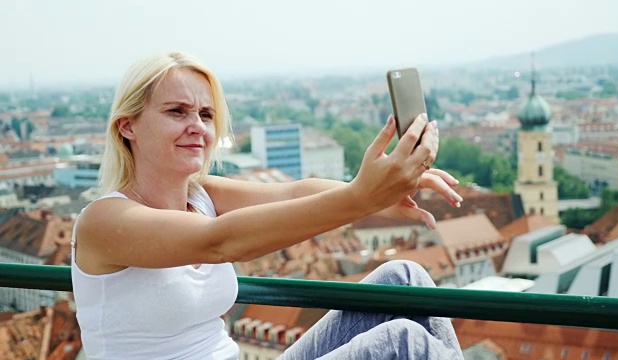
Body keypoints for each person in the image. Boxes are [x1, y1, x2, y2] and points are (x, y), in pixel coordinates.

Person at [70, 51, 464, 359]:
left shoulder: (201, 194)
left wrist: (381, 199)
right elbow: (220, 242)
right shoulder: (104, 220)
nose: (197, 126)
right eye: (176, 111)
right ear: (127, 126)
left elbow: (294, 193)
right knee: (405, 343)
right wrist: (362, 195)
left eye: (206, 115)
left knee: (404, 278)